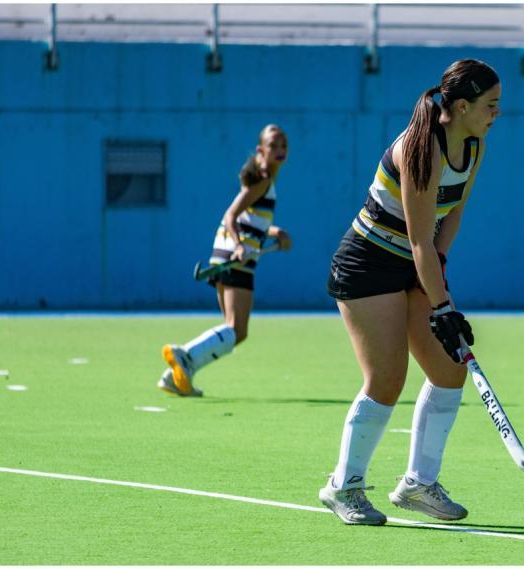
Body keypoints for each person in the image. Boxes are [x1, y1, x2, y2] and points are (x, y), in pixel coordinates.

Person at [319, 59, 501, 525]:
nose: (497, 112)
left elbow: (451, 216)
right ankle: (344, 486)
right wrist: (441, 305)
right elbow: (418, 238)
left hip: (416, 262)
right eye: (490, 104)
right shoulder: (420, 150)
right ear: (461, 106)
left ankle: (419, 484)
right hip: (368, 263)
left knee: (449, 371)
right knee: (387, 379)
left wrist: (440, 289)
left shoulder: (474, 145)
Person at [158, 124, 292, 397]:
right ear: (260, 150)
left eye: (284, 145)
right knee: (237, 329)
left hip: (225, 254)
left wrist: (275, 232)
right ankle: (183, 356)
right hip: (234, 257)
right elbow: (231, 215)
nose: (280, 150)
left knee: (233, 328)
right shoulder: (263, 180)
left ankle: (176, 376)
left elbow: (249, 219)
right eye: (274, 145)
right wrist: (241, 246)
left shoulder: (265, 181)